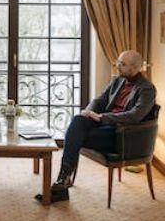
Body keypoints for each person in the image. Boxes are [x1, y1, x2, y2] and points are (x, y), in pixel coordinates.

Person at [44, 50, 156, 203]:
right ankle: (62, 181)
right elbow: (100, 100)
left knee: (75, 137)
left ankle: (62, 182)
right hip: (105, 124)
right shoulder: (118, 80)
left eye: (122, 64)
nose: (118, 66)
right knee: (78, 120)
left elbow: (135, 116)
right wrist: (88, 112)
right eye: (119, 62)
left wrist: (103, 117)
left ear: (134, 68)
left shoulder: (147, 89)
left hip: (121, 134)